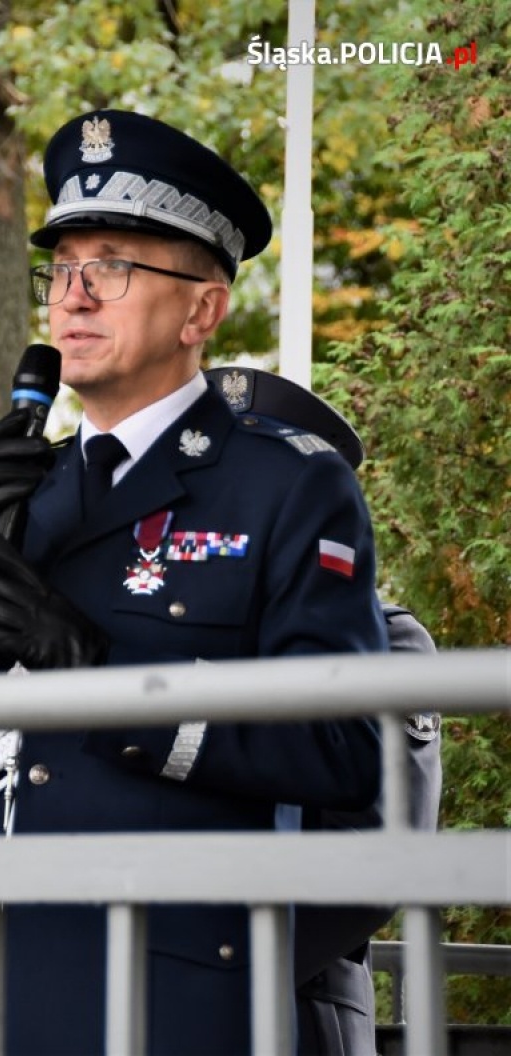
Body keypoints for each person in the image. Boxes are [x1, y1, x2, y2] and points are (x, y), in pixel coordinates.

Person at [0, 110, 388, 1054]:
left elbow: (341, 750)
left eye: (108, 268)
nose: (72, 299)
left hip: (161, 994)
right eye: (61, 271)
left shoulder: (287, 484)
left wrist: (98, 677)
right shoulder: (28, 485)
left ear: (201, 310)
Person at [204, 367, 444, 1056]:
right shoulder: (159, 636)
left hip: (293, 1010)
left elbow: (374, 863)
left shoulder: (388, 643)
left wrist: (196, 966)